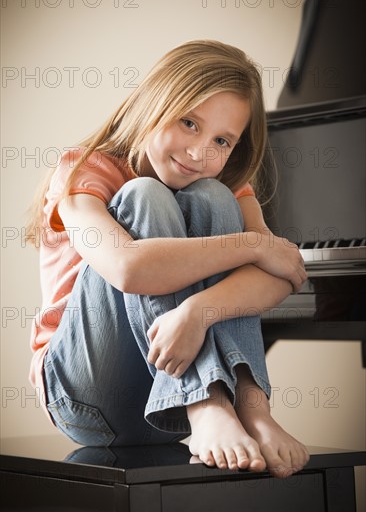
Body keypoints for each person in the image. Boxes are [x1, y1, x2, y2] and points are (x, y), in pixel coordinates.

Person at [26, 39, 309, 478]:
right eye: (189, 122)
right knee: (144, 195)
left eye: (222, 140)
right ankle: (205, 401)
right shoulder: (83, 170)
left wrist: (196, 312)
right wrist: (256, 245)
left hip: (165, 407)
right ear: (155, 103)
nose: (201, 153)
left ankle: (252, 407)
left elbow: (284, 274)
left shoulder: (223, 183)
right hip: (88, 397)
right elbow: (129, 267)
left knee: (214, 197)